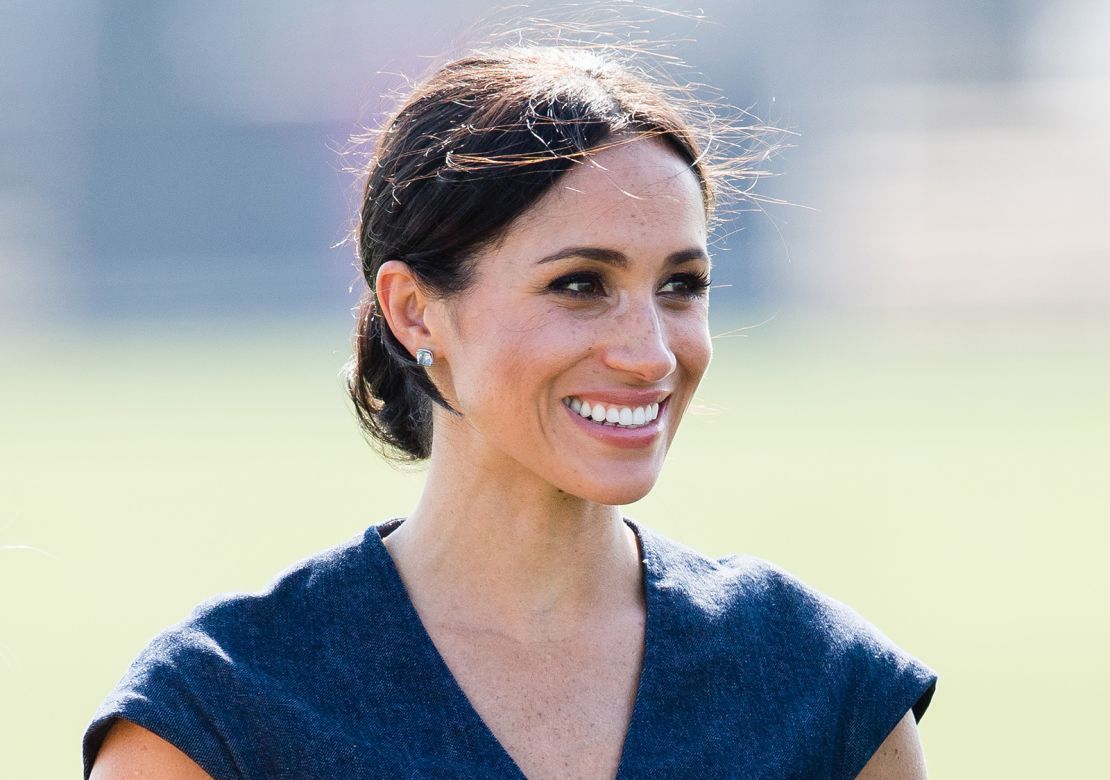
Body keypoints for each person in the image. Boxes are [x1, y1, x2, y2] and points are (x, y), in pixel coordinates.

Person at [84, 44, 936, 779]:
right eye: (580, 285)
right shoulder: (219, 716)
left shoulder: (821, 686)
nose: (650, 353)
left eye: (680, 286)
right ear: (415, 311)